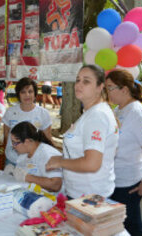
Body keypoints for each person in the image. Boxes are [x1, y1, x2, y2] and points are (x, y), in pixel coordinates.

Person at [46, 65, 118, 199]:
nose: (79, 84)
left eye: (86, 81)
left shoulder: (96, 116)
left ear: (100, 87)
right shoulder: (92, 112)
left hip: (89, 196)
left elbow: (92, 163)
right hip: (84, 192)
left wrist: (60, 162)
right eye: (77, 80)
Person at [106, 70, 142, 236]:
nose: (107, 92)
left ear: (124, 90)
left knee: (132, 225)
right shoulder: (119, 110)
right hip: (115, 178)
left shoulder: (139, 113)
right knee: (119, 224)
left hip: (129, 182)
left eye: (110, 88)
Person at [3, 77, 53, 166]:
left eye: (30, 91)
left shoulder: (43, 113)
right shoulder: (10, 112)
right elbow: (6, 134)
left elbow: (47, 139)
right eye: (23, 92)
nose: (27, 95)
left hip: (33, 161)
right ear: (18, 94)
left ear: (35, 94)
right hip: (12, 160)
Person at [6, 121, 62, 192]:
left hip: (52, 198)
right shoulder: (24, 154)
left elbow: (56, 185)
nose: (13, 146)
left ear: (26, 142)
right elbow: (22, 174)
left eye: (15, 143)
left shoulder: (47, 154)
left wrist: (27, 177)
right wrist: (13, 172)